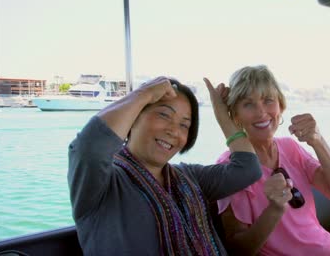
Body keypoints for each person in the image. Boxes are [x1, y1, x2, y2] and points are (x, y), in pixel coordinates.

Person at [68, 76, 262, 255]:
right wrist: (142, 94)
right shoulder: (103, 183)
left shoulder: (190, 176)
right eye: (163, 115)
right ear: (133, 117)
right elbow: (89, 148)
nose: (173, 131)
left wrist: (222, 115)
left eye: (184, 125)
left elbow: (248, 169)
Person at [217, 65, 330, 256]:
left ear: (280, 106)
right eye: (248, 104)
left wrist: (317, 141)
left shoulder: (291, 148)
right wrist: (274, 208)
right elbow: (238, 250)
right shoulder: (228, 168)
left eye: (268, 101)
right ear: (236, 115)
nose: (261, 112)